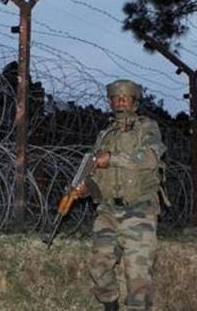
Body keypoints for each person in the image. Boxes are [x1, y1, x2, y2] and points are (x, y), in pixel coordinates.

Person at [58, 79, 166, 311]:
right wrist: (83, 189)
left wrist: (113, 159)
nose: (120, 101)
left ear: (134, 102)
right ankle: (110, 306)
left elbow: (151, 158)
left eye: (125, 97)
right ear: (110, 102)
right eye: (116, 98)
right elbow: (96, 174)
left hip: (139, 211)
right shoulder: (104, 135)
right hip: (107, 211)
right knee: (99, 267)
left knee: (138, 277)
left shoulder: (146, 128)